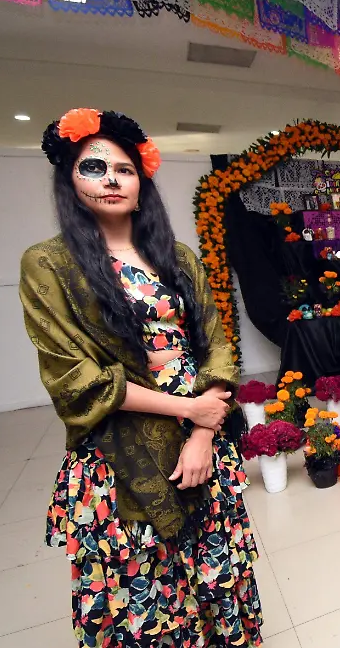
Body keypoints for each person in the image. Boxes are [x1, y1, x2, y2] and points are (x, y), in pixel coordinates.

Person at [20, 109, 262, 646]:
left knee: (216, 569)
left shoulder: (177, 257)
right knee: (144, 590)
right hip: (120, 452)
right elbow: (75, 376)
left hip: (203, 439)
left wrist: (203, 431)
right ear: (69, 180)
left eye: (124, 169)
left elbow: (217, 344)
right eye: (94, 167)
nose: (111, 179)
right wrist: (187, 410)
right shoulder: (49, 264)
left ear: (141, 183)